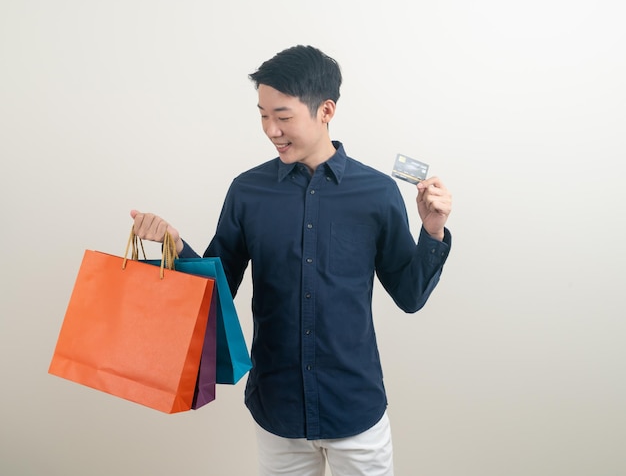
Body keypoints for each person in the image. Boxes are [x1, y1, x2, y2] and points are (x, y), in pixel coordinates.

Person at [131, 45, 452, 476]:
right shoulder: (247, 191)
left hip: (355, 410)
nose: (270, 129)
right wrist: (175, 244)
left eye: (283, 117)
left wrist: (431, 233)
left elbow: (410, 297)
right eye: (262, 114)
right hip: (277, 409)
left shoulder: (377, 193)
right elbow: (215, 291)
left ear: (326, 111)